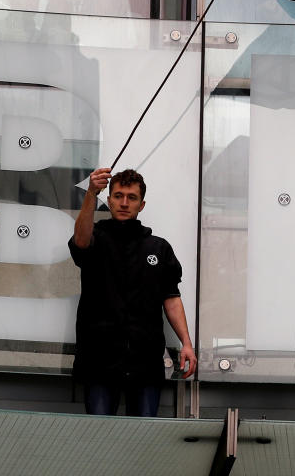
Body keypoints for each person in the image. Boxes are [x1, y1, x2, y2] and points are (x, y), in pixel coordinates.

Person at [69, 167, 197, 416]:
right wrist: (91, 194)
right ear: (109, 200)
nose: (124, 203)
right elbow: (80, 241)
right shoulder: (95, 239)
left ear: (142, 204)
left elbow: (171, 299)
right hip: (99, 361)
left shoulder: (158, 248)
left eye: (132, 197)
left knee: (143, 441)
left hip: (145, 363)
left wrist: (187, 343)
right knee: (99, 437)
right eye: (118, 196)